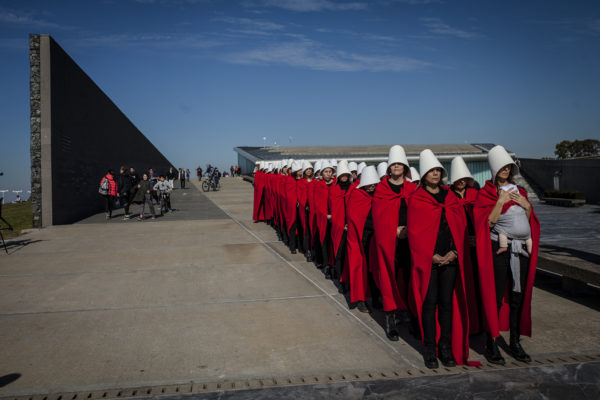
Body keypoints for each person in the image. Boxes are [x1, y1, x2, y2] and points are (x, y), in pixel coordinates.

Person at [408, 149, 477, 369]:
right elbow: (414, 233)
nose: (436, 174)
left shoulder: (450, 197)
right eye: (432, 171)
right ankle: (430, 349)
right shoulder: (417, 199)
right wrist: (431, 256)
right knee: (429, 304)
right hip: (429, 260)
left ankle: (445, 348)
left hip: (450, 258)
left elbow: (460, 227)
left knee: (447, 304)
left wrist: (454, 252)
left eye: (438, 170)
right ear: (424, 173)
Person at [474, 145, 540, 365]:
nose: (506, 169)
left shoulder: (519, 191)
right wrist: (500, 202)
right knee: (494, 295)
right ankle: (491, 342)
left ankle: (514, 341)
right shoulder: (486, 193)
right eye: (502, 167)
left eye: (508, 166)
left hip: (520, 250)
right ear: (495, 169)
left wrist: (526, 206)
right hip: (498, 251)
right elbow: (486, 223)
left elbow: (529, 220)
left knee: (516, 296)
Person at [372, 146, 417, 341]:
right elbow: (379, 218)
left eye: (400, 164)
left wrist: (411, 231)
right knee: (389, 279)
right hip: (390, 243)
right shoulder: (382, 189)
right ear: (389, 168)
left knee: (412, 279)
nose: (397, 167)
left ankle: (414, 319)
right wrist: (394, 231)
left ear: (405, 167)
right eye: (394, 164)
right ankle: (390, 321)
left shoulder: (413, 188)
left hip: (412, 242)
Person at [449, 156, 481, 334]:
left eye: (464, 179)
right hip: (457, 247)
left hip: (477, 246)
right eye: (458, 179)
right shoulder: (448, 196)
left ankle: (477, 322)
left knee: (477, 285)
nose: (461, 181)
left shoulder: (476, 195)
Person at [346, 166, 381, 313]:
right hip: (361, 239)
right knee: (361, 270)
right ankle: (361, 300)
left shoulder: (379, 196)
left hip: (376, 239)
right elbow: (356, 218)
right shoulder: (357, 195)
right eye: (370, 183)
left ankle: (376, 298)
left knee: (375, 270)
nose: (372, 186)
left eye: (374, 183)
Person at [328, 160, 352, 290]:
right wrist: (341, 224)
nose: (344, 176)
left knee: (350, 255)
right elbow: (333, 209)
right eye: (342, 174)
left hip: (351, 226)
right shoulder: (334, 190)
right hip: (338, 227)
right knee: (339, 254)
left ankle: (348, 279)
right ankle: (340, 280)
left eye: (346, 174)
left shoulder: (353, 189)